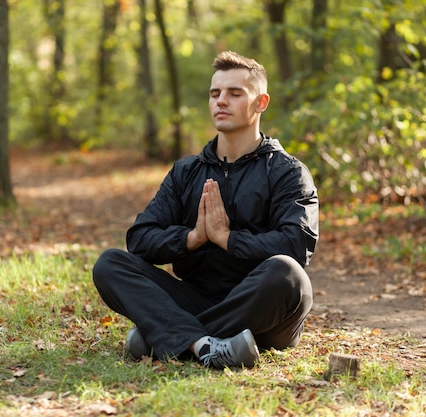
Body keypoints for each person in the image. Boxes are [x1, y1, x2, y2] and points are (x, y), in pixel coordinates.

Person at [92, 51, 319, 369]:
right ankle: (203, 344)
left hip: (263, 312)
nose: (221, 101)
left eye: (234, 93)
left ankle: (168, 337)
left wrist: (227, 239)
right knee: (109, 264)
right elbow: (140, 239)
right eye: (215, 94)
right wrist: (193, 237)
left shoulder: (288, 172)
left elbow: (294, 247)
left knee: (289, 274)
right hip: (195, 296)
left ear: (261, 103)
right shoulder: (187, 172)